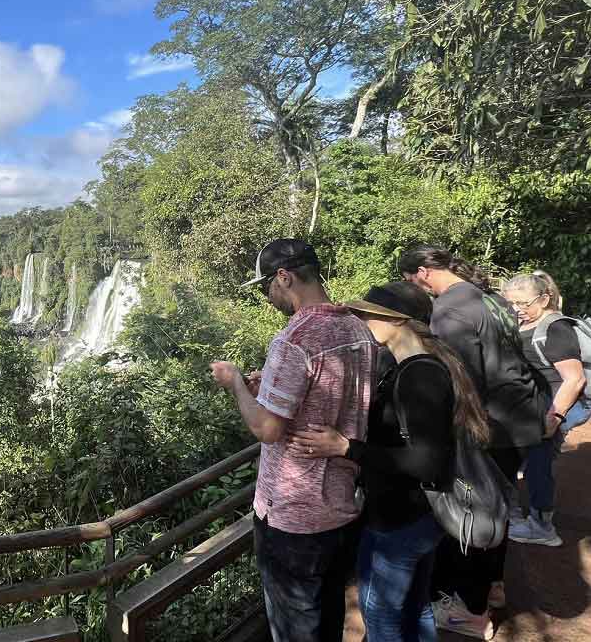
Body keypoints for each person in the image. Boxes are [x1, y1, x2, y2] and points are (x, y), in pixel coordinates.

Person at [291, 281, 491, 642]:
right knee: (416, 607)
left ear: (398, 320)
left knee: (382, 618)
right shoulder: (411, 366)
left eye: (368, 313)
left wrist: (345, 448)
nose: (361, 319)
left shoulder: (420, 375)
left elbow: (425, 463)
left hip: (401, 522)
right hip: (419, 517)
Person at [210, 239, 377, 642]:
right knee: (329, 615)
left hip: (293, 517)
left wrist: (236, 384)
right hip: (341, 504)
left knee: (295, 629)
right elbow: (323, 398)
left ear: (283, 277)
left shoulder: (295, 339)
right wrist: (262, 388)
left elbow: (267, 429)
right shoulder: (358, 328)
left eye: (265, 286)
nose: (267, 296)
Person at [398, 245, 552, 640]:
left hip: (490, 425)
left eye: (409, 281)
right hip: (517, 418)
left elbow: (460, 382)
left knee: (471, 513)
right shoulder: (491, 297)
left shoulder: (450, 313)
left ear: (422, 274)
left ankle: (470, 609)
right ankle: (492, 587)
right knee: (497, 506)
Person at [501, 272, 587, 547]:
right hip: (531, 404)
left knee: (539, 463)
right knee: (517, 458)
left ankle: (541, 526)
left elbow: (575, 378)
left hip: (555, 405)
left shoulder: (556, 328)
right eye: (512, 303)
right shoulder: (524, 322)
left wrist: (555, 416)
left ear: (545, 298)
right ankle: (513, 512)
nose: (517, 310)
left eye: (524, 303)